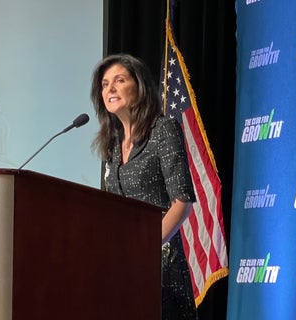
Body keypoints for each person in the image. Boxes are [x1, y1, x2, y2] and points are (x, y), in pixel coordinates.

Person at [90, 53, 198, 320]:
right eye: (104, 84)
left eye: (119, 81)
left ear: (139, 88)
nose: (110, 89)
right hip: (121, 267)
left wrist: (142, 249)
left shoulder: (163, 130)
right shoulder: (112, 146)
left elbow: (182, 202)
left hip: (160, 263)